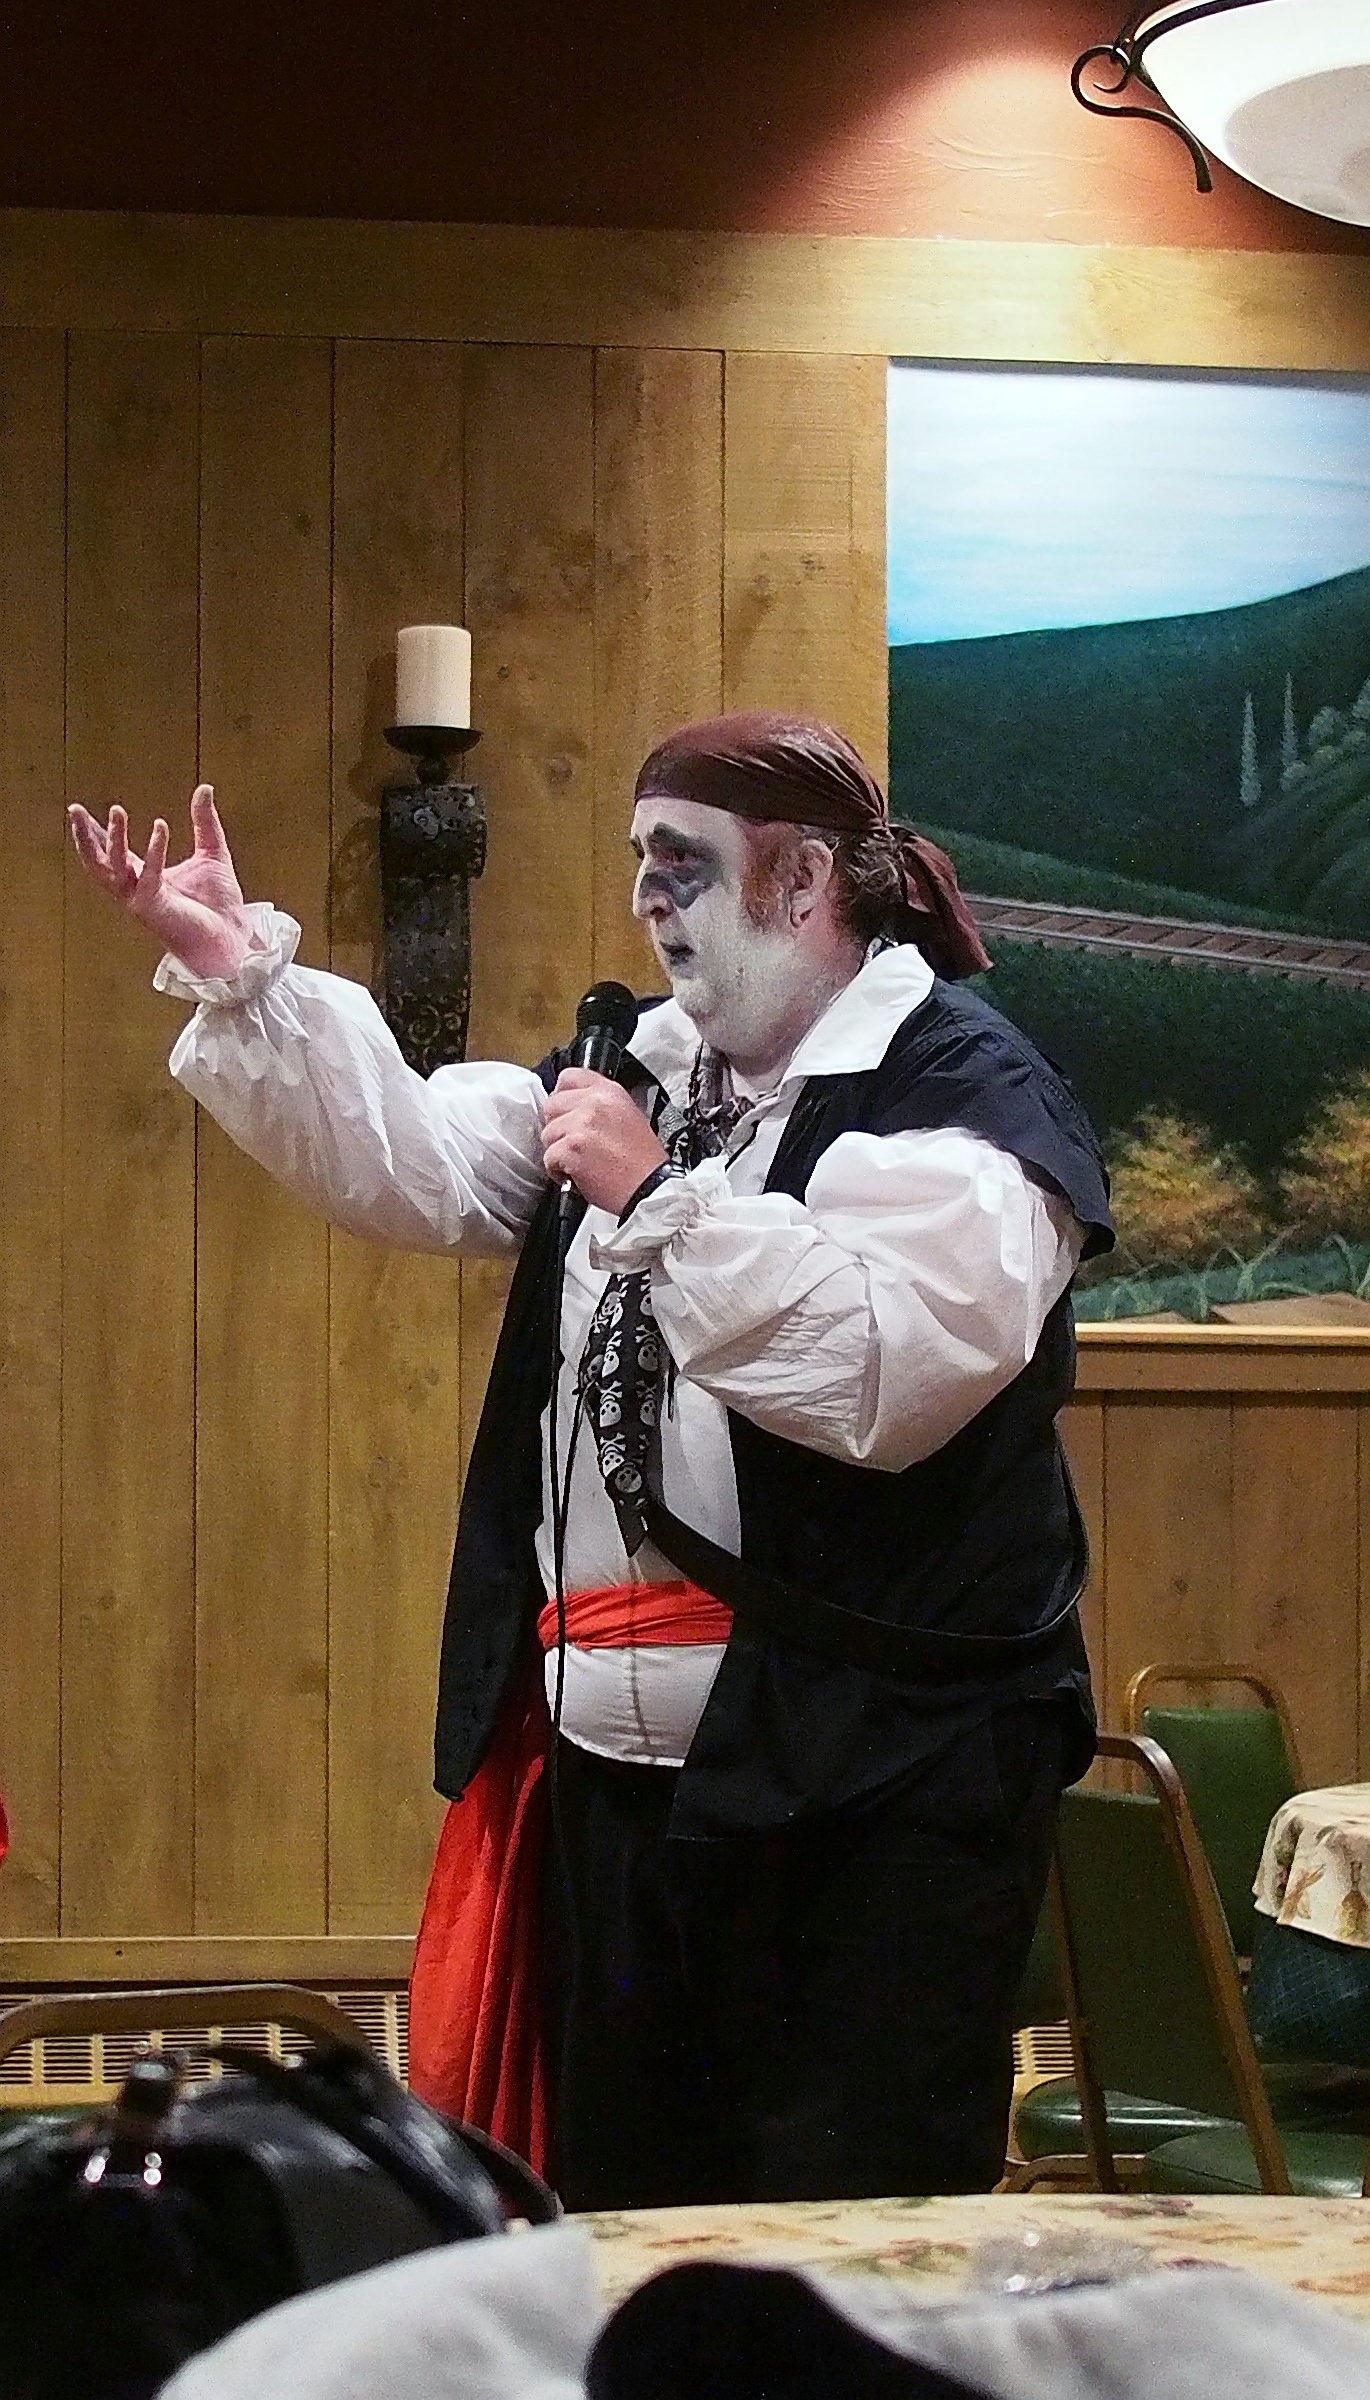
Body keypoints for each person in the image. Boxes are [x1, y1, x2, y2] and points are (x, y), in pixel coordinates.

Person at [68, 711, 1113, 2209]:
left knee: (848, 2218)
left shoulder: (961, 1090)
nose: (647, 900)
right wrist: (254, 983)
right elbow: (423, 1157)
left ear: (803, 878)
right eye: (641, 862)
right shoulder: (653, 1072)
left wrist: (656, 1193)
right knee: (632, 2205)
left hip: (882, 1781)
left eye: (683, 865)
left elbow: (889, 1368)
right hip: (625, 1782)